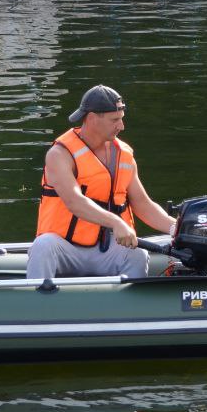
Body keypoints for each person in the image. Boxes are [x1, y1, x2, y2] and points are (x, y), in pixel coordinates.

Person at [27, 85, 175, 280]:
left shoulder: (124, 155)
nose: (121, 126)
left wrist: (176, 227)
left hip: (104, 250)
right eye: (115, 120)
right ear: (92, 119)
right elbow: (74, 201)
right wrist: (115, 222)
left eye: (121, 119)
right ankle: (37, 305)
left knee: (137, 254)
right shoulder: (59, 155)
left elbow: (142, 203)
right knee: (43, 245)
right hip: (66, 249)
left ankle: (129, 308)